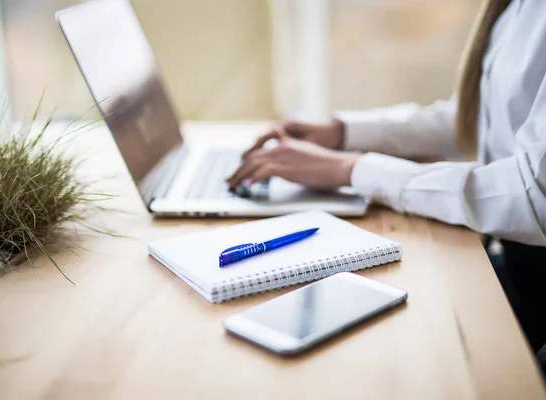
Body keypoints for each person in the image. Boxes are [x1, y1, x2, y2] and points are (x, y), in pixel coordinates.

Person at [228, 0, 546, 364]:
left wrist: (351, 169)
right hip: (507, 256)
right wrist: (344, 134)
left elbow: (534, 195)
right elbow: (480, 117)